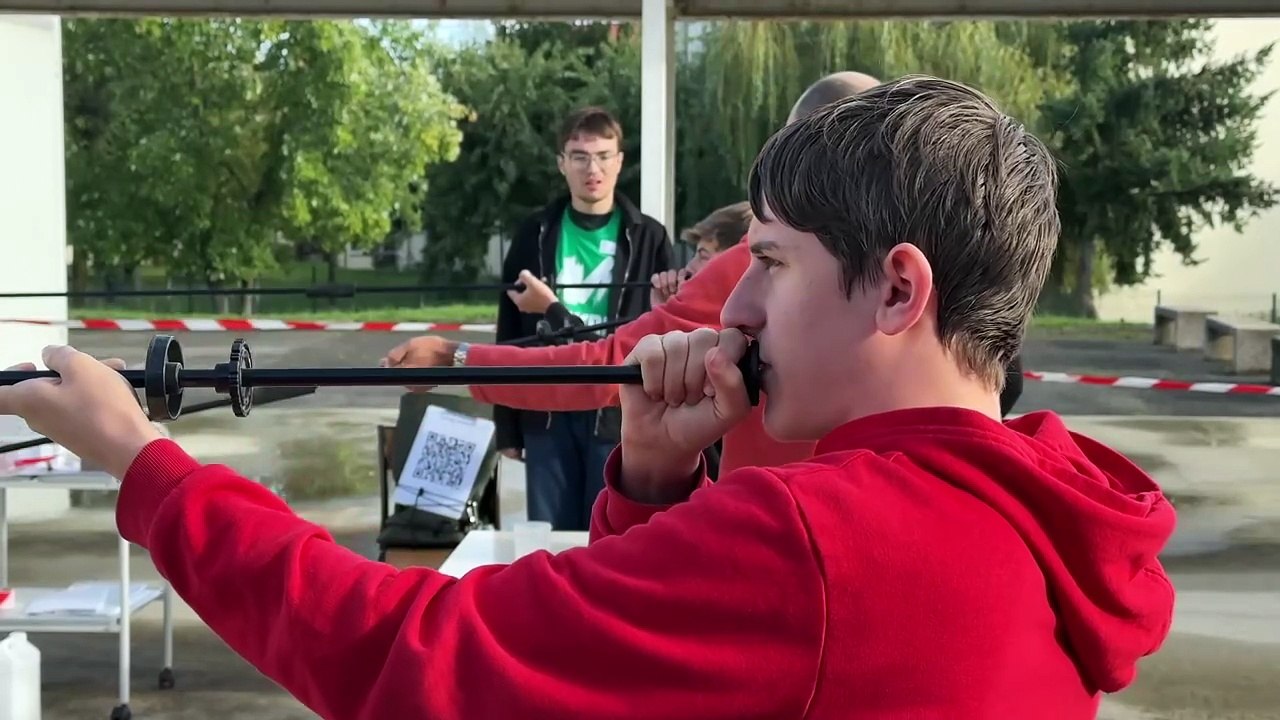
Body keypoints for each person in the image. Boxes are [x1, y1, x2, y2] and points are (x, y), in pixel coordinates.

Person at [0, 75, 1176, 719]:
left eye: (766, 263)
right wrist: (654, 487)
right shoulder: (1030, 510)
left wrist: (145, 464)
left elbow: (412, 660)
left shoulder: (819, 539)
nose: (738, 315)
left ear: (895, 291)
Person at [381, 72, 889, 478]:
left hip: (772, 527)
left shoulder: (751, 263)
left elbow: (608, 363)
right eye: (579, 156)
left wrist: (458, 358)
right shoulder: (913, 267)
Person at [494, 106, 673, 531]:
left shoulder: (649, 235)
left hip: (617, 411)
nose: (592, 168)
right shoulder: (533, 233)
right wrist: (508, 426)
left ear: (620, 161)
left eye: (603, 155)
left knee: (612, 538)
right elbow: (509, 329)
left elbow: (663, 326)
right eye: (579, 156)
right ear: (561, 163)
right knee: (550, 540)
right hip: (546, 410)